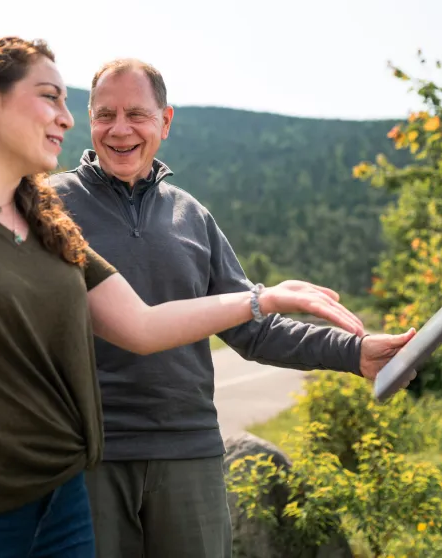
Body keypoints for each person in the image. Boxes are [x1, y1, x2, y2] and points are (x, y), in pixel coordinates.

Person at [0, 37, 374, 558]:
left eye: (132, 114)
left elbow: (146, 325)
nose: (77, 120)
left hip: (96, 490)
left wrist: (285, 312)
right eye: (74, 105)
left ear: (164, 122)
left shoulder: (64, 224)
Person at [49, 58, 417, 558]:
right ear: (89, 119)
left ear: (166, 121)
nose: (119, 130)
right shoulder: (50, 206)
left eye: (136, 114)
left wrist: (355, 353)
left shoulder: (192, 217)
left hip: (189, 452)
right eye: (105, 114)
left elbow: (254, 327)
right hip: (88, 457)